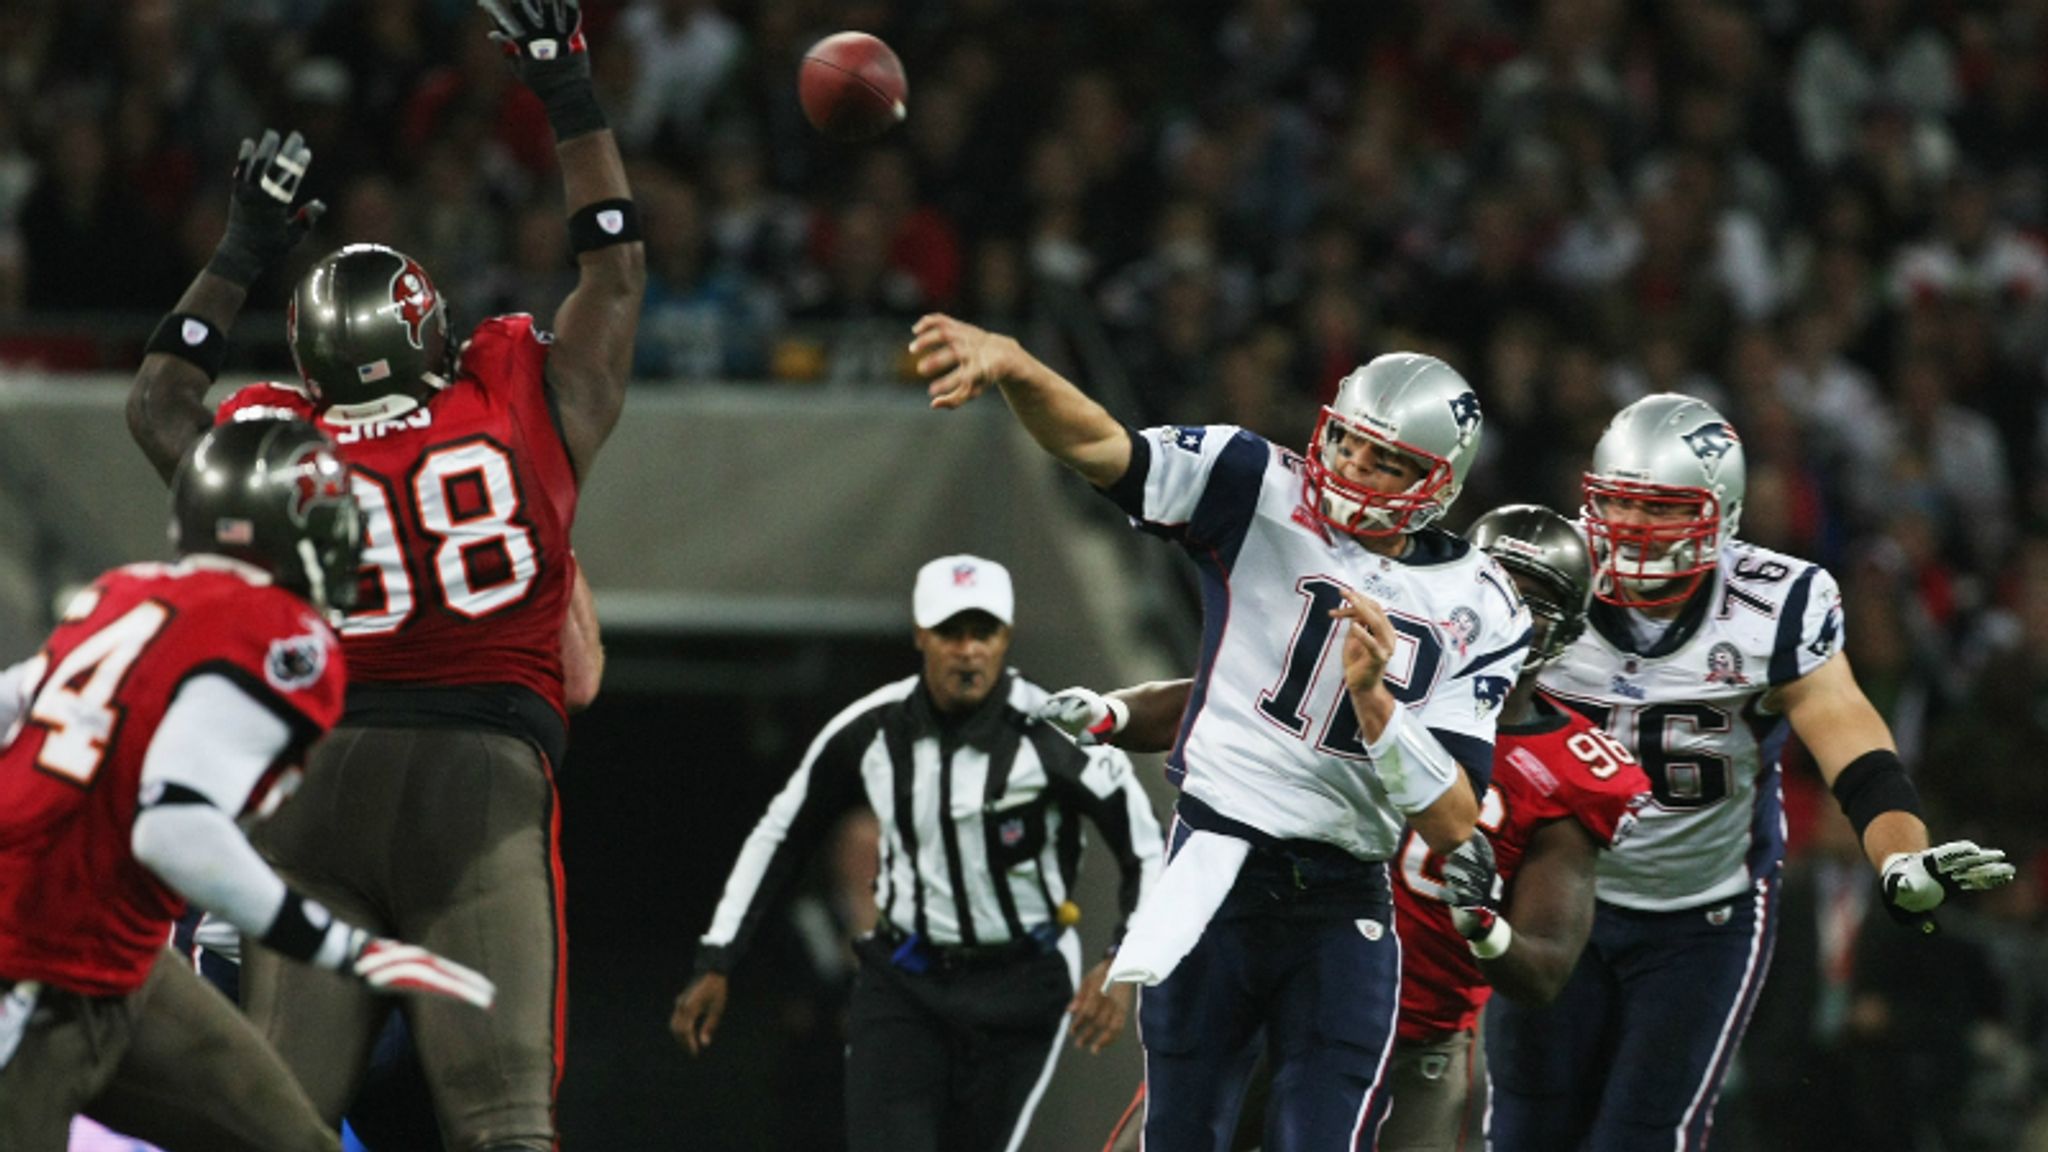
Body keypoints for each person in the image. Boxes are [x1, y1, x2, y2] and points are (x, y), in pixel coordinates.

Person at [123, 2, 645, 1146]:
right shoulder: (515, 398)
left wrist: (238, 254)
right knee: (503, 1121)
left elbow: (158, 398)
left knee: (281, 1121)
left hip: (313, 781)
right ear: (433, 337)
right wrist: (566, 93)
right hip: (476, 783)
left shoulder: (276, 434)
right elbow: (612, 264)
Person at [909, 314, 1527, 1148]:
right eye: (1348, 444)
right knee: (1179, 1133)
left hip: (1342, 898)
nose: (1354, 469)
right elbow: (1104, 449)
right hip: (1215, 867)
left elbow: (1453, 821)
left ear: (1440, 483)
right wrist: (1022, 371)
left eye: (1388, 461)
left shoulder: (1482, 603)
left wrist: (1376, 705)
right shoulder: (1256, 482)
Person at [1484, 393, 2017, 1151]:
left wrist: (1900, 853)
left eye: (1662, 510)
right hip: (1549, 895)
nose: (1632, 531)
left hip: (1700, 912)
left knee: (1642, 1136)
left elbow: (1849, 734)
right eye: (1620, 505)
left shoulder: (1775, 602)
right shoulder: (1539, 573)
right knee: (1525, 1130)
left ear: (1722, 515)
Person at [1070, 505, 1653, 1152]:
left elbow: (1544, 971)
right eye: (1495, 581)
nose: (1509, 607)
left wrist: (1485, 929)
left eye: (1536, 600)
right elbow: (1222, 697)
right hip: (1288, 999)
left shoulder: (1567, 769)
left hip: (1414, 1049)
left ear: (1567, 632)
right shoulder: (1382, 673)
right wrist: (1114, 714)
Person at [0, 420, 494, 1152]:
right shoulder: (283, 637)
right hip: (34, 961)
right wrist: (339, 949)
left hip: (122, 953)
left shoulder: (123, 590)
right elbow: (172, 828)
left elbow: (12, 698)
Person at [669, 554, 1163, 1152]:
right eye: (951, 633)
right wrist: (718, 956)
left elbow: (1144, 844)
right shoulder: (872, 729)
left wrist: (1123, 962)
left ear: (1005, 637)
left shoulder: (1058, 732)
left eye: (983, 633)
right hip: (905, 979)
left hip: (1021, 983)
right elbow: (782, 831)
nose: (968, 651)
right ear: (920, 636)